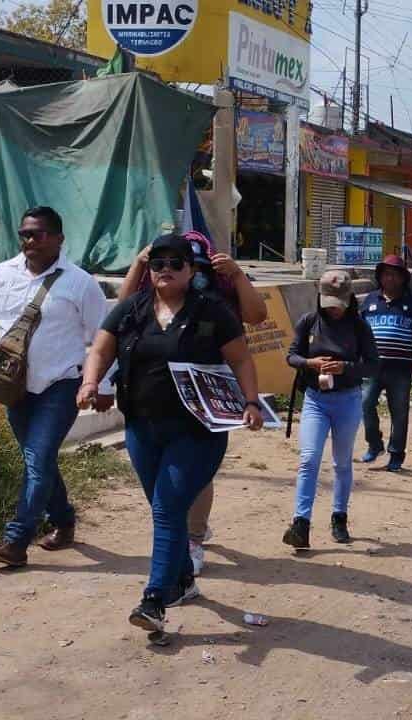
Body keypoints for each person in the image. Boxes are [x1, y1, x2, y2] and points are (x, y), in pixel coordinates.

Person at [77, 232, 264, 632]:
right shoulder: (132, 309)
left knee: (167, 508)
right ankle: (182, 581)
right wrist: (90, 383)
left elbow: (242, 359)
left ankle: (154, 600)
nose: (165, 270)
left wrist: (251, 402)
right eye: (157, 263)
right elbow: (100, 350)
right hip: (142, 427)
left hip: (198, 432)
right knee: (166, 510)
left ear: (191, 270)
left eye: (175, 263)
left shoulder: (212, 312)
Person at [0, 206, 111, 568]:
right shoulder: (2, 274)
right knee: (39, 459)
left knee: (37, 460)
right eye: (25, 234)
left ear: (59, 239)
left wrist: (102, 383)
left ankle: (17, 540)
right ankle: (64, 520)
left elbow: (104, 337)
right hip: (13, 386)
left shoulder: (79, 283)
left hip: (61, 385)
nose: (29, 241)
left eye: (38, 234)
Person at [121, 231, 266, 576]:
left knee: (196, 472)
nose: (174, 269)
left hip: (210, 391)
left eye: (185, 263)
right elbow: (121, 312)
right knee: (166, 482)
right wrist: (140, 264)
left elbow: (257, 315)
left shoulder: (219, 291)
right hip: (159, 393)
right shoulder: (156, 290)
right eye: (163, 262)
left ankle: (193, 538)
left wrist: (237, 274)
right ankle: (179, 545)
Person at [282, 271, 380, 549]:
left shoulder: (360, 327)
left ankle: (339, 516)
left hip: (347, 399)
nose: (334, 309)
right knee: (309, 459)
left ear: (349, 300)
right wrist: (311, 363)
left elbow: (372, 365)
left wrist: (345, 367)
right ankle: (300, 523)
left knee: (341, 462)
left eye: (339, 303)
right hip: (315, 399)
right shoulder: (309, 321)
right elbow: (291, 355)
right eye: (329, 303)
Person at [359, 255, 412, 473]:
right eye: (385, 274)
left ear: (402, 278)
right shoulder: (370, 300)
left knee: (399, 411)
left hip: (400, 368)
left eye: (394, 274)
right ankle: (374, 444)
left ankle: (396, 454)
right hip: (372, 366)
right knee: (365, 403)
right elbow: (359, 331)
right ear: (380, 276)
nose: (389, 278)